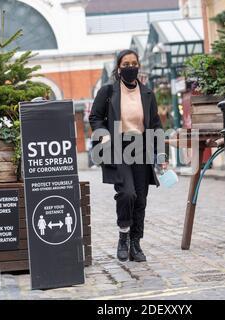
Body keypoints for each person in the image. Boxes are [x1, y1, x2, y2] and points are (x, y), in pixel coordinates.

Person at [89, 49, 168, 262]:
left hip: (141, 147)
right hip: (117, 147)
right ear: (119, 68)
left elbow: (155, 125)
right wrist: (103, 134)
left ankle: (136, 243)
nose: (131, 67)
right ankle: (123, 235)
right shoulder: (108, 92)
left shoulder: (148, 94)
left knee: (140, 199)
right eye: (126, 64)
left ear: (139, 65)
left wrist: (161, 153)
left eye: (134, 63)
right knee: (127, 194)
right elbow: (95, 117)